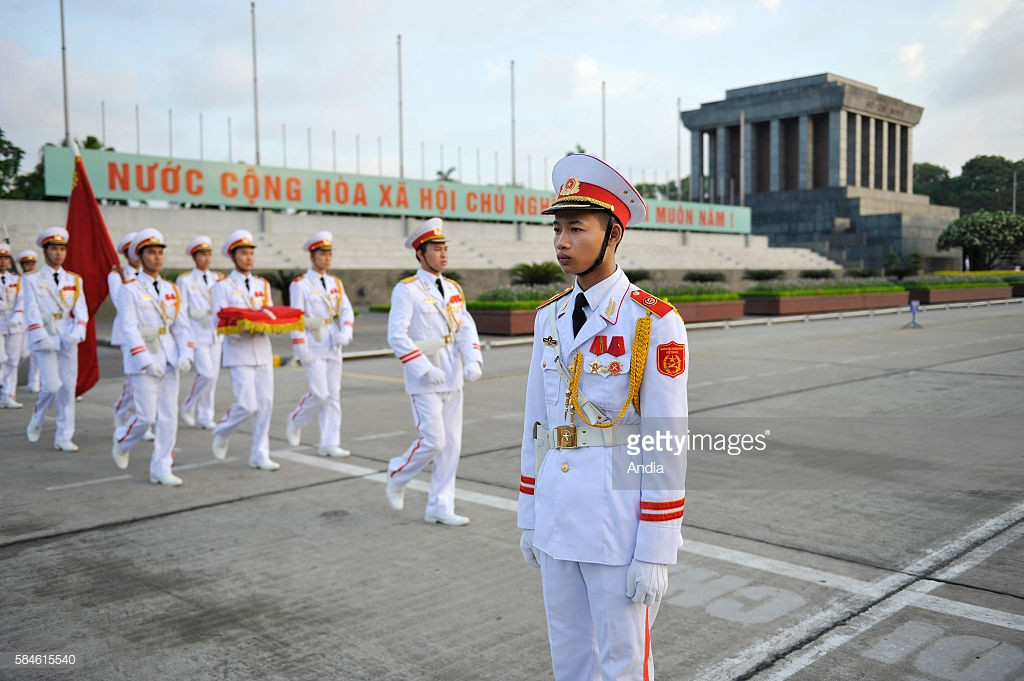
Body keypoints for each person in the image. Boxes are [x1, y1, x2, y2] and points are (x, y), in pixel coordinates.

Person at [517, 154, 688, 681]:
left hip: (617, 522)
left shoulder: (653, 321)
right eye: (557, 228)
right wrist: (529, 513)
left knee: (623, 662)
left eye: (576, 228)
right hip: (558, 511)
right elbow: (536, 424)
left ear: (612, 234)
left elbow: (665, 440)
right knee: (568, 655)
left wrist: (657, 546)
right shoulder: (549, 317)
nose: (561, 242)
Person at [385, 217, 483, 526]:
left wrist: (473, 360)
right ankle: (398, 473)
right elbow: (397, 335)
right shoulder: (407, 290)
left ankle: (440, 505)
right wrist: (423, 367)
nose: (443, 254)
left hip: (452, 375)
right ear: (420, 253)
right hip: (425, 379)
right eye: (435, 249)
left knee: (451, 447)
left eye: (444, 248)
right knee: (434, 440)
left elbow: (464, 326)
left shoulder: (453, 288)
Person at [110, 229, 194, 486]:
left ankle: (161, 467)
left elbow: (182, 326)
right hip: (143, 359)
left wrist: (186, 354)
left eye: (160, 252)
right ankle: (123, 441)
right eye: (151, 252)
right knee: (147, 416)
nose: (157, 257)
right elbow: (129, 327)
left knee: (168, 416)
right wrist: (144, 359)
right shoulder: (130, 289)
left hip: (169, 357)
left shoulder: (171, 289)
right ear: (140, 256)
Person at [210, 230, 280, 471]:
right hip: (238, 350)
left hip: (261, 348)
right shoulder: (223, 286)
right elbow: (217, 320)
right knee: (247, 404)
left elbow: (269, 312)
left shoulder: (262, 284)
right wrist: (242, 326)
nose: (248, 258)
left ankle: (260, 454)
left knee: (265, 404)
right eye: (243, 253)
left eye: (251, 253)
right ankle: (222, 429)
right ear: (233, 257)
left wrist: (269, 323)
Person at [285, 231, 355, 456]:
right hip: (312, 343)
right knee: (319, 393)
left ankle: (330, 442)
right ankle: (297, 419)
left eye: (329, 253)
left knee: (333, 394)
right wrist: (300, 349)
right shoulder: (301, 284)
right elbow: (296, 318)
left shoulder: (335, 282)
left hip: (332, 341)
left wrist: (346, 330)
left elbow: (346, 309)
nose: (326, 258)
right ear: (312, 256)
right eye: (322, 254)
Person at [23, 227, 89, 451]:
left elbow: (82, 312)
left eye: (62, 249)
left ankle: (63, 436)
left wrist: (77, 332)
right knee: (51, 386)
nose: (59, 253)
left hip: (67, 337)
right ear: (45, 251)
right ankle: (38, 417)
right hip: (45, 337)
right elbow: (30, 312)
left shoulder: (74, 280)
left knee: (67, 389)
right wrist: (42, 336)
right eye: (54, 249)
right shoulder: (31, 279)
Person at [177, 236, 224, 430]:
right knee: (206, 374)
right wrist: (186, 336)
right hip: (197, 333)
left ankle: (206, 415)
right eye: (202, 255)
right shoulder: (186, 280)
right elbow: (182, 311)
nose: (206, 258)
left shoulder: (218, 279)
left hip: (215, 334)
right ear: (194, 258)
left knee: (213, 376)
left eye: (208, 254)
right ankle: (188, 405)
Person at [0, 243, 26, 408]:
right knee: (0, 358)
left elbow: (23, 300)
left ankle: (8, 394)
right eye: (0, 258)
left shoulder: (17, 280)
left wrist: (17, 316)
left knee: (13, 360)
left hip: (15, 325)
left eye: (5, 258)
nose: (3, 261)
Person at [16, 250, 40, 394]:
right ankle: (9, 375)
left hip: (36, 319)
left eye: (31, 264)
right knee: (22, 353)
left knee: (37, 353)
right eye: (26, 264)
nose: (30, 267)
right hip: (20, 319)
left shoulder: (39, 280)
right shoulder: (18, 279)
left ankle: (34, 382)